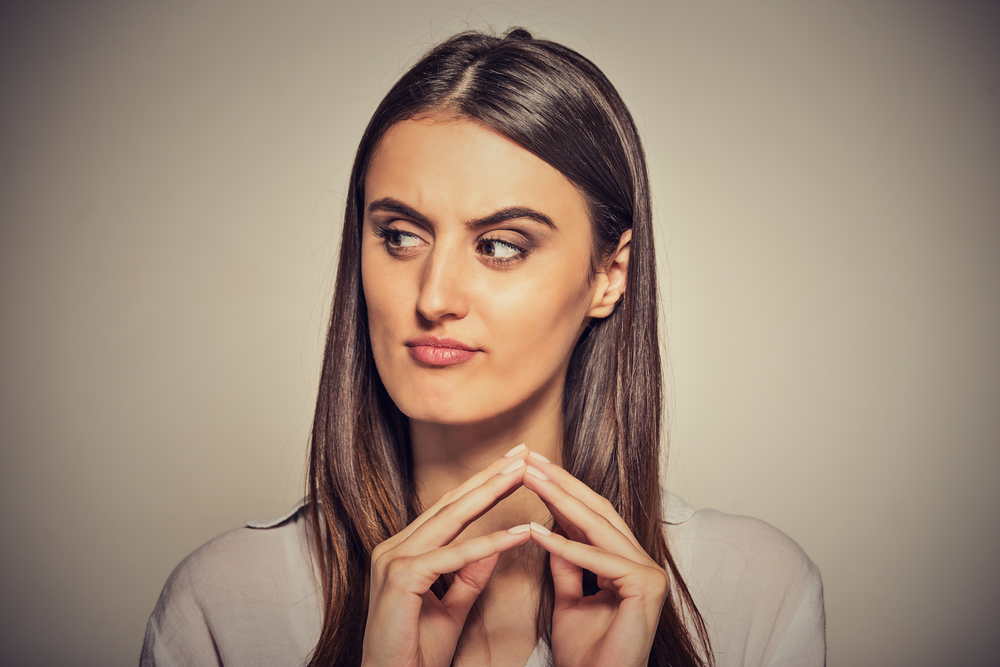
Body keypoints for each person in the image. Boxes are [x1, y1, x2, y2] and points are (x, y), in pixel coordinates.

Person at [140, 28, 825, 667]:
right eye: (401, 235)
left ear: (609, 275)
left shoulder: (751, 593)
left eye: (500, 246)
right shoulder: (227, 604)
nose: (434, 296)